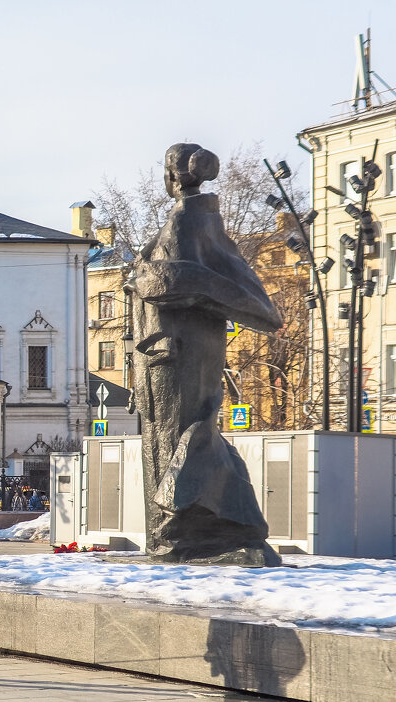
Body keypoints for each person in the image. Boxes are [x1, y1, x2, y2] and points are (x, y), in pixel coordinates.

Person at [124, 143, 282, 566]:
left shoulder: (191, 222)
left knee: (182, 438)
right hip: (167, 356)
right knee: (183, 436)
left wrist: (162, 280)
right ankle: (202, 531)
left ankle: (181, 535)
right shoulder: (190, 222)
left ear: (172, 177)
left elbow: (261, 308)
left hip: (177, 356)